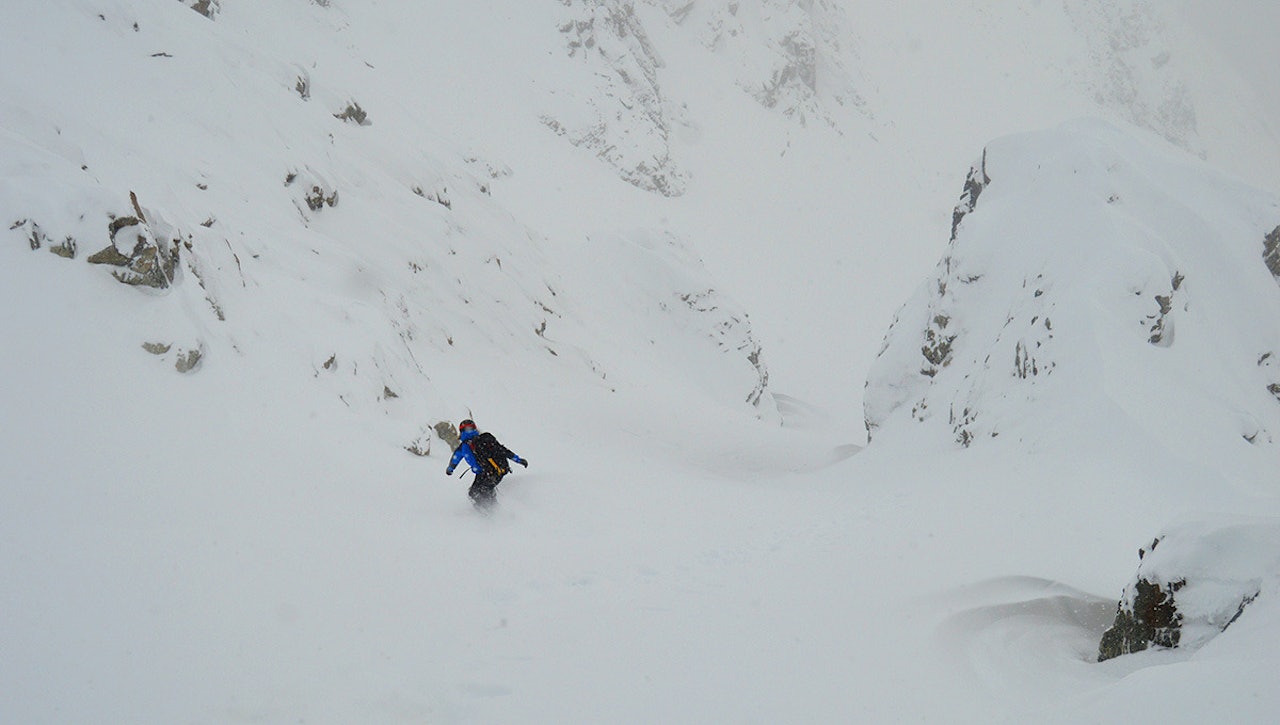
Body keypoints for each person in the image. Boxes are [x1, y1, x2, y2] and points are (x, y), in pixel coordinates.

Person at [445, 419, 528, 507]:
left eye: (470, 428)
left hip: (494, 471)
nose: (468, 431)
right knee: (475, 493)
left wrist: (518, 460)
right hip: (485, 472)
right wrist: (450, 469)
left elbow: (501, 450)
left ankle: (493, 512)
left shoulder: (483, 440)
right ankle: (488, 511)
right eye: (466, 429)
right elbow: (455, 459)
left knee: (483, 490)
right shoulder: (465, 446)